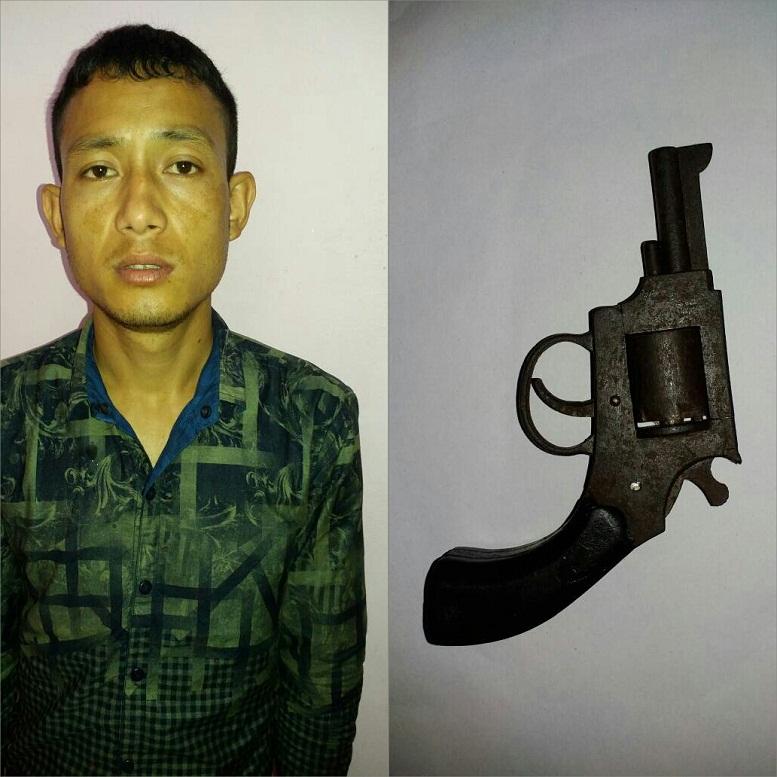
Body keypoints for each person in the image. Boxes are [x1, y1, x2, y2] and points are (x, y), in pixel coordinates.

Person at [0, 24, 365, 776]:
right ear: (57, 213)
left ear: (235, 203)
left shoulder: (314, 421)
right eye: (100, 169)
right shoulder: (7, 416)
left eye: (182, 164)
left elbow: (319, 693)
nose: (139, 210)